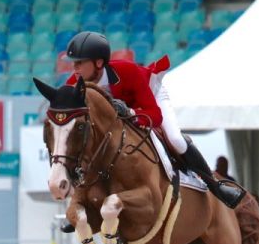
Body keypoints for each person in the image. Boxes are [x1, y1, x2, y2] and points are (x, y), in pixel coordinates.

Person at [63, 31, 245, 209]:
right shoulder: (74, 84)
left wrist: (130, 112)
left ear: (99, 62)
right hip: (122, 116)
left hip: (152, 98)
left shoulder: (127, 71)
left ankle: (215, 186)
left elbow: (155, 116)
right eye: (73, 63)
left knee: (175, 139)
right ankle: (81, 201)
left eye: (79, 63)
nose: (74, 68)